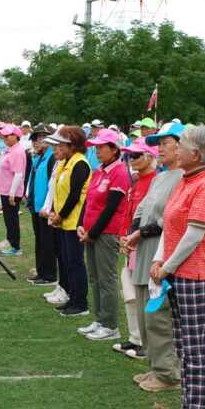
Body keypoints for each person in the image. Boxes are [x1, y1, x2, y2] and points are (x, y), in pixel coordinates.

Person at [150, 126, 205, 409]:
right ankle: (189, 405)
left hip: (197, 276)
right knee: (183, 345)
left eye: (181, 145)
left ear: (196, 153)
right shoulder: (186, 179)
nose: (176, 149)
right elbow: (170, 226)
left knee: (196, 348)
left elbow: (194, 235)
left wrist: (166, 266)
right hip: (179, 272)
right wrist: (159, 259)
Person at [123, 122, 186, 391]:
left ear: (182, 146)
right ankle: (155, 366)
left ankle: (168, 374)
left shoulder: (183, 178)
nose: (159, 148)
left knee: (159, 316)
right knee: (145, 315)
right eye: (158, 143)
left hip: (161, 253)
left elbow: (169, 219)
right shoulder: (160, 177)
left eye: (165, 143)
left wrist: (140, 233)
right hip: (144, 252)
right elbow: (142, 209)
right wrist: (131, 233)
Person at [76, 128, 130, 341]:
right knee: (95, 277)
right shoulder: (99, 170)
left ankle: (110, 325)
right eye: (96, 147)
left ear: (114, 149)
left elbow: (111, 208)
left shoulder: (120, 173)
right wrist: (81, 225)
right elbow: (88, 201)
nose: (97, 151)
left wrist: (92, 232)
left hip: (106, 234)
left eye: (101, 147)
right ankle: (99, 319)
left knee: (106, 279)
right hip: (91, 232)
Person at [114, 137, 158, 357]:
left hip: (145, 244)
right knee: (130, 292)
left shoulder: (154, 182)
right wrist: (123, 236)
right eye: (130, 155)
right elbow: (128, 212)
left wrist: (133, 237)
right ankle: (135, 337)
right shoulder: (138, 181)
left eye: (137, 155)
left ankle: (146, 341)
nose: (132, 159)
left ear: (150, 157)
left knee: (144, 294)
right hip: (131, 242)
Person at [45, 125, 92, 317]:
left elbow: (74, 195)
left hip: (74, 222)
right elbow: (59, 192)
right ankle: (72, 299)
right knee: (66, 262)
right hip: (64, 221)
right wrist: (54, 212)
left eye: (62, 144)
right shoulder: (66, 162)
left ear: (73, 144)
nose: (58, 147)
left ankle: (81, 303)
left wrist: (60, 215)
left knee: (75, 263)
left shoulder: (79, 164)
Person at [25, 124, 58, 285]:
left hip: (46, 208)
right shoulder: (39, 157)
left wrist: (49, 207)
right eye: (36, 138)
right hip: (36, 207)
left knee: (48, 243)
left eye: (43, 138)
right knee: (40, 241)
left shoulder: (52, 157)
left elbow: (52, 185)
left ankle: (49, 275)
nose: (38, 141)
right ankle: (41, 271)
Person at [0, 123, 27, 256]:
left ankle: (16, 246)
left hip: (11, 192)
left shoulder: (17, 152)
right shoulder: (11, 150)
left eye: (7, 136)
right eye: (3, 136)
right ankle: (10, 240)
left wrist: (12, 194)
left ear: (15, 136)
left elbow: (18, 174)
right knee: (8, 219)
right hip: (6, 191)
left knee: (12, 219)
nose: (4, 138)